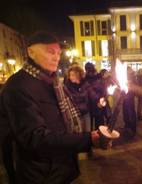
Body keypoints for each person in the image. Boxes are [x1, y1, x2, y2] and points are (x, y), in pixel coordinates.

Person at [0, 31, 104, 184]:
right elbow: (35, 138)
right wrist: (87, 139)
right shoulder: (18, 86)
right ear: (31, 52)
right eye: (50, 52)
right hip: (39, 174)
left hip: (60, 168)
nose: (56, 57)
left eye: (58, 53)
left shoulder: (52, 82)